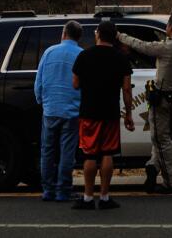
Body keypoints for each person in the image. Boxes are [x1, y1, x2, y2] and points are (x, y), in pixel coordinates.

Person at [118, 12, 172, 194]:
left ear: (170, 27)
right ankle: (152, 166)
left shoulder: (165, 48)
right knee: (166, 138)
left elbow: (140, 45)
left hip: (161, 100)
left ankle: (170, 182)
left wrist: (120, 36)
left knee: (160, 140)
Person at [71, 19, 135, 210]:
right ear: (115, 36)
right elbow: (126, 89)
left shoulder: (84, 56)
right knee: (108, 153)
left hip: (89, 111)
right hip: (110, 112)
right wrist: (128, 114)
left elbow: (75, 84)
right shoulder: (121, 57)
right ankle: (105, 197)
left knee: (90, 155)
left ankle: (88, 197)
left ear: (98, 34)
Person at [34, 20, 83, 202]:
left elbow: (39, 81)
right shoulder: (81, 54)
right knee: (67, 152)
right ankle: (63, 190)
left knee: (47, 151)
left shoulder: (49, 52)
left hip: (50, 108)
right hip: (72, 110)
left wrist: (42, 101)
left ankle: (48, 189)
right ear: (78, 37)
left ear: (63, 34)